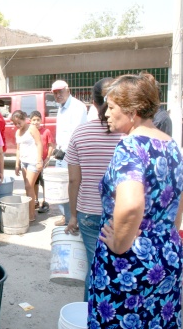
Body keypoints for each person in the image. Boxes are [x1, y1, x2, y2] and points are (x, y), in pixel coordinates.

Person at [88, 73, 183, 328]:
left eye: (111, 108)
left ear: (132, 111)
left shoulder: (131, 146)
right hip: (167, 254)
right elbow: (180, 203)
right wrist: (163, 237)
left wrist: (120, 245)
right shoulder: (172, 145)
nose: (106, 114)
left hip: (130, 263)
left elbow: (131, 205)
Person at [63, 77, 122, 301]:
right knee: (119, 267)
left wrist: (72, 216)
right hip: (122, 214)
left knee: (95, 265)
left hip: (88, 213)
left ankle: (92, 315)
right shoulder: (128, 134)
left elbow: (73, 181)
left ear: (93, 102)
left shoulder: (80, 134)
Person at [51, 80, 87, 226]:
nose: (58, 95)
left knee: (73, 185)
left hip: (72, 153)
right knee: (62, 186)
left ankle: (74, 218)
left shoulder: (77, 107)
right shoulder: (61, 108)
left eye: (60, 91)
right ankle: (66, 216)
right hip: (61, 152)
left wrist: (64, 149)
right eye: (55, 93)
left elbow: (76, 133)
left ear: (68, 90)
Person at [11, 110, 43, 223]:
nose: (17, 125)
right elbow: (18, 149)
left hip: (33, 161)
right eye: (15, 124)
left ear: (25, 119)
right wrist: (17, 164)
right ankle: (30, 211)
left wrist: (39, 161)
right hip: (24, 162)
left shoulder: (32, 128)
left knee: (29, 186)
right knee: (27, 187)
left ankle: (31, 215)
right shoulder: (17, 132)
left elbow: (39, 144)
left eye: (19, 122)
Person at [30, 111, 54, 213]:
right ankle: (35, 200)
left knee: (44, 183)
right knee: (35, 182)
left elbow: (51, 145)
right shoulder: (30, 132)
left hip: (43, 162)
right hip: (33, 161)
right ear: (30, 121)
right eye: (34, 120)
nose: (36, 122)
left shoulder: (46, 131)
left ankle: (45, 202)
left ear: (41, 120)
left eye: (38, 120)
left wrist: (47, 157)